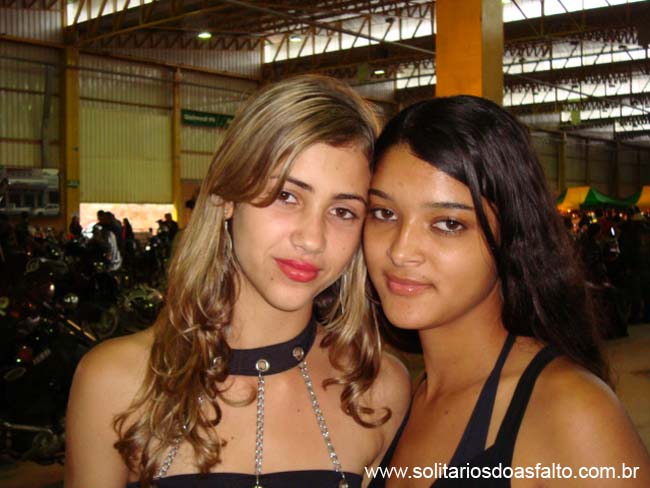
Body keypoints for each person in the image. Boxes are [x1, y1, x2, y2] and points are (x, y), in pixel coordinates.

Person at [65, 74, 410, 488]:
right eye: (286, 195)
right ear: (228, 197)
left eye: (343, 211)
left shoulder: (377, 392)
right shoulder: (116, 382)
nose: (312, 239)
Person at [363, 96, 650, 487]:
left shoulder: (570, 412)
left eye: (448, 223)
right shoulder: (403, 402)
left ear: (512, 235)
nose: (400, 250)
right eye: (384, 213)